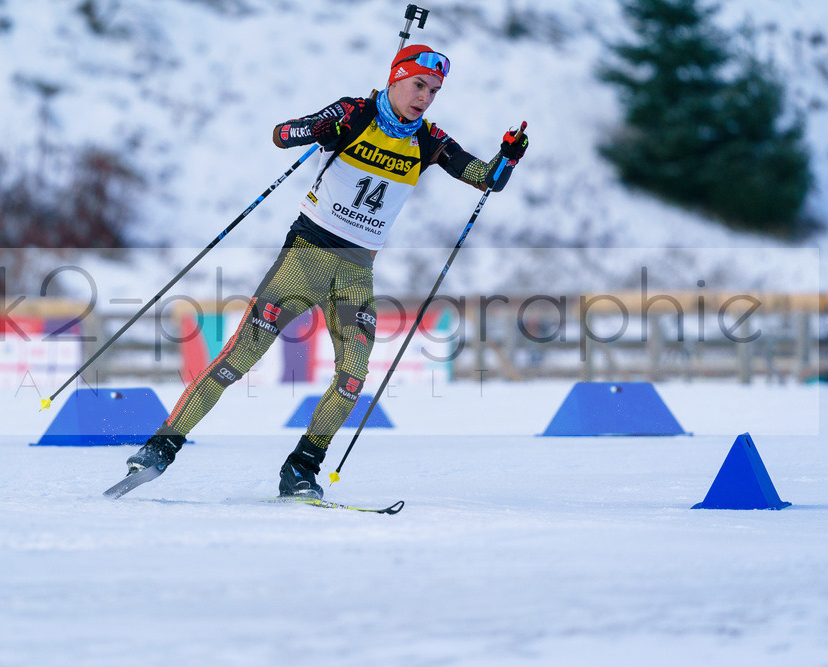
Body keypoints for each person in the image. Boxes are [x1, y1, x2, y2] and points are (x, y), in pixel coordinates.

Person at [124, 44, 528, 499]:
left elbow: (485, 178)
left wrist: (508, 157)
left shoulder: (430, 140)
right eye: (418, 85)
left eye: (433, 91)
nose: (425, 98)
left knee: (353, 377)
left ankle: (300, 469)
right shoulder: (355, 113)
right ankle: (160, 448)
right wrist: (319, 128)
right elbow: (282, 134)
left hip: (357, 271)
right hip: (305, 257)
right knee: (237, 362)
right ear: (396, 77)